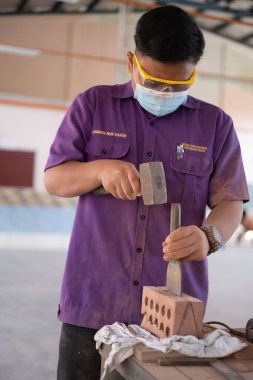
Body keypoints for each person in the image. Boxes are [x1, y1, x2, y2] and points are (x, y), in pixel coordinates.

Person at [44, 5, 249, 380]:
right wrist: (99, 169)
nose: (165, 92)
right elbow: (55, 180)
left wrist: (209, 237)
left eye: (178, 86)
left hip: (173, 314)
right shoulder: (93, 105)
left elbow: (230, 201)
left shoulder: (215, 125)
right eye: (154, 82)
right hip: (92, 302)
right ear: (131, 63)